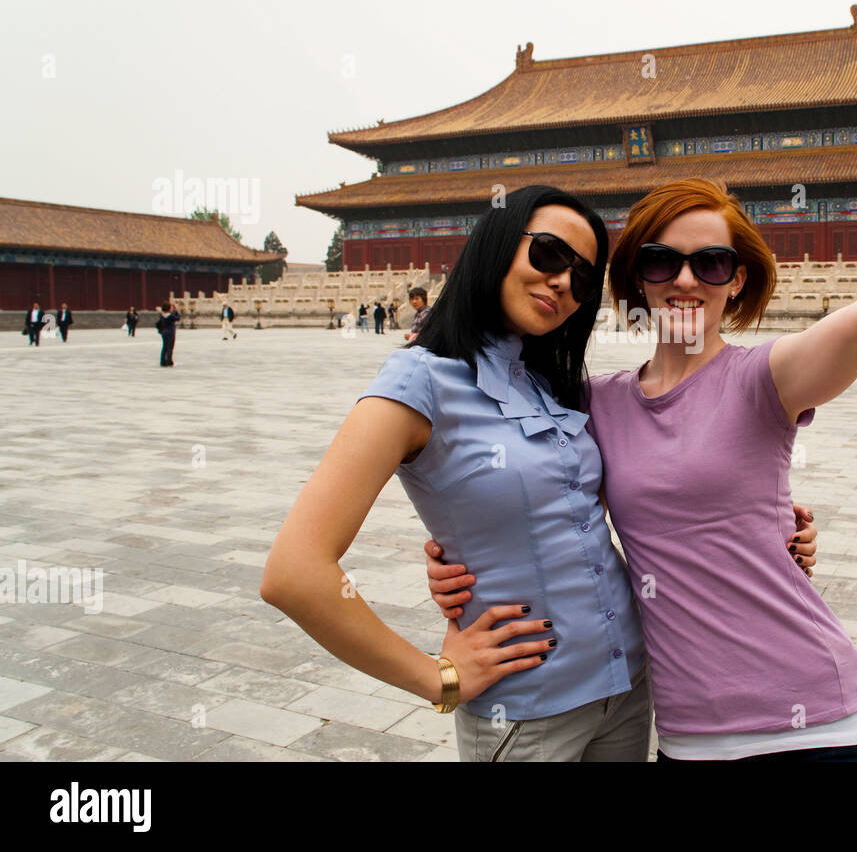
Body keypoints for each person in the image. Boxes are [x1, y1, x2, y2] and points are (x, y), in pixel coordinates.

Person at [430, 61, 857, 762]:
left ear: (735, 282)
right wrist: (464, 558)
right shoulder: (595, 403)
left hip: (824, 731)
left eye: (709, 264)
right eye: (658, 261)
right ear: (632, 279)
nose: (682, 280)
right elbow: (528, 491)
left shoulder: (766, 378)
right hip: (689, 741)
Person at [261, 185, 818, 763]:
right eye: (549, 255)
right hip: (527, 710)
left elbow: (651, 489)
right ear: (498, 245)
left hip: (628, 690)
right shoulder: (418, 382)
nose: (562, 283)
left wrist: (774, 523)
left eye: (581, 277)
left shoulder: (554, 385)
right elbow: (294, 573)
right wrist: (436, 679)